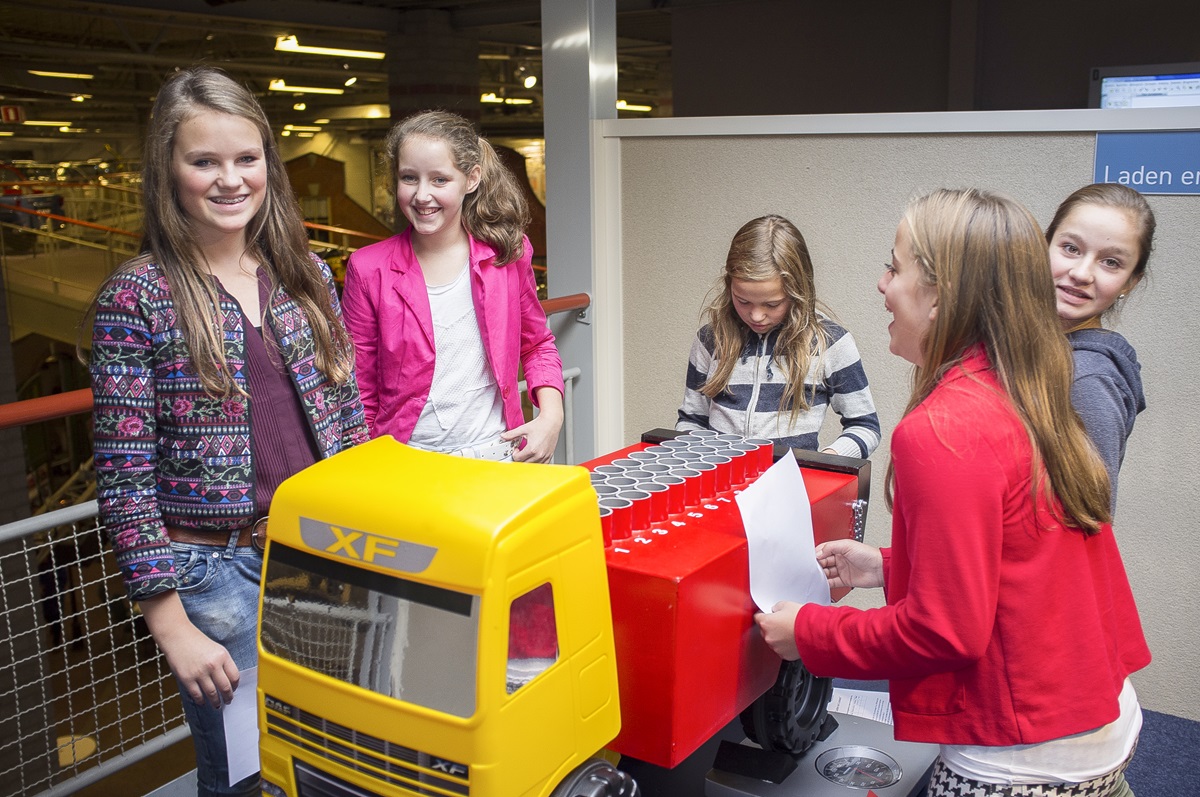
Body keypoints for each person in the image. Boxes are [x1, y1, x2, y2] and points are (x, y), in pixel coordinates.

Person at [754, 189, 1150, 796]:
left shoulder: (944, 429)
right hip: (1089, 717)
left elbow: (945, 631)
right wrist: (890, 566)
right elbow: (1017, 558)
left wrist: (807, 634)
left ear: (940, 295)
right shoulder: (1023, 381)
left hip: (1024, 755)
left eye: (895, 266)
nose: (882, 284)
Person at [89, 66, 368, 797]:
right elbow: (124, 477)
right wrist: (171, 624)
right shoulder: (138, 295)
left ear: (268, 166)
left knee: (336, 756)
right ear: (168, 171)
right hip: (217, 579)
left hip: (320, 554)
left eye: (246, 159)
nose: (229, 179)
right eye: (203, 161)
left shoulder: (304, 271)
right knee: (249, 780)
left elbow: (347, 419)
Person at [341, 110, 564, 463]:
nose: (421, 195)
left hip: (499, 453)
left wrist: (551, 417)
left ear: (471, 179)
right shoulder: (368, 267)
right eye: (409, 178)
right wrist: (367, 463)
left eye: (440, 180)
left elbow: (536, 344)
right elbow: (359, 385)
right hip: (405, 460)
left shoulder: (508, 253)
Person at [676, 214, 880, 457]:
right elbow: (691, 420)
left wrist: (829, 460)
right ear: (729, 284)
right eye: (743, 301)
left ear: (797, 291)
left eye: (772, 305)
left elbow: (865, 426)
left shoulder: (830, 343)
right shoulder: (711, 339)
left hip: (791, 487)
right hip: (720, 485)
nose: (756, 315)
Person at [1047, 183, 1154, 512]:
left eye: (1110, 262)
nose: (1081, 273)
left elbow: (1089, 518)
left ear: (1130, 283)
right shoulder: (1038, 352)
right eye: (1071, 248)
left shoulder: (1088, 378)